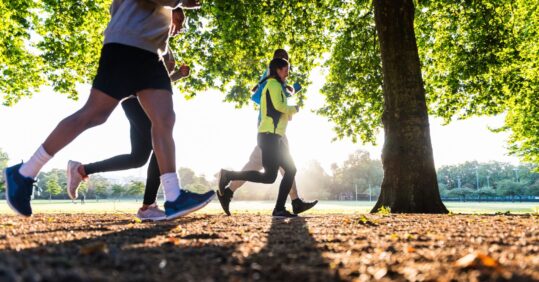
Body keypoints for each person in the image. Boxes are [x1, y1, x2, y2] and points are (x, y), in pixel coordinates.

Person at [3, 0, 214, 219]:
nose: (179, 27)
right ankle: (25, 172)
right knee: (93, 114)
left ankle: (173, 197)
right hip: (128, 45)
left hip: (151, 52)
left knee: (165, 119)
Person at [66, 8, 192, 222]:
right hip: (133, 98)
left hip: (138, 99)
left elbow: (157, 85)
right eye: (178, 20)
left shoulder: (164, 45)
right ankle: (148, 206)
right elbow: (143, 76)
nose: (179, 28)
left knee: (138, 157)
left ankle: (81, 169)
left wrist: (177, 74)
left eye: (182, 25)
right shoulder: (150, 34)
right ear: (166, 13)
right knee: (158, 144)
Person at [217, 50, 318, 216]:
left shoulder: (277, 81)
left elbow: (279, 101)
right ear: (279, 65)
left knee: (282, 167)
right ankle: (292, 202)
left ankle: (289, 203)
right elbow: (260, 98)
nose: (288, 70)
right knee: (275, 170)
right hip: (269, 129)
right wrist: (286, 105)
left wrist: (288, 95)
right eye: (286, 66)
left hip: (274, 129)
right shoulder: (271, 79)